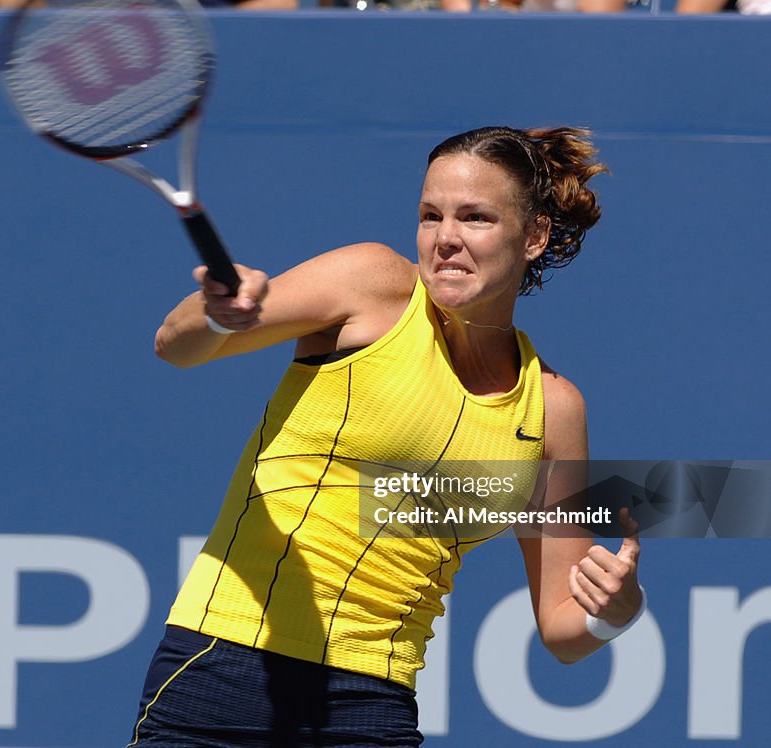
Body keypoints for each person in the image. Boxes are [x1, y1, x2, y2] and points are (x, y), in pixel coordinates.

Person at [129, 126, 646, 747]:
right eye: (431, 216)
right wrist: (214, 312)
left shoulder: (555, 410)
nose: (445, 238)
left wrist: (616, 613)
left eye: (475, 217)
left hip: (372, 704)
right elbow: (176, 346)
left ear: (533, 236)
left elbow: (564, 629)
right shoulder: (371, 286)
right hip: (225, 666)